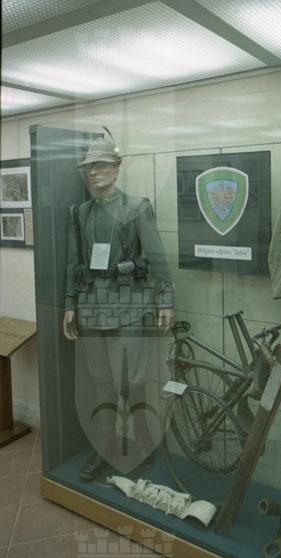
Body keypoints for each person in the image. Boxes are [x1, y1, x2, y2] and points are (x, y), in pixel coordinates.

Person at [63, 137, 174, 481]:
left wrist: (165, 300)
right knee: (101, 382)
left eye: (100, 165)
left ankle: (144, 442)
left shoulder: (137, 208)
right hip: (91, 307)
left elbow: (157, 258)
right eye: (89, 167)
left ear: (116, 168)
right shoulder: (80, 213)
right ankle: (105, 448)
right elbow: (73, 262)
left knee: (131, 379)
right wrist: (70, 304)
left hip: (128, 306)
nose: (93, 173)